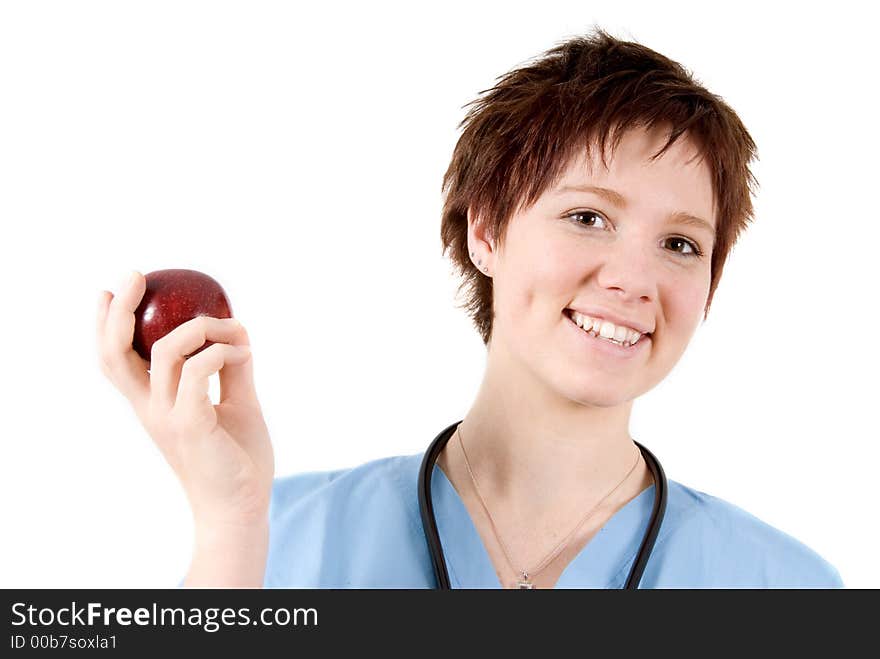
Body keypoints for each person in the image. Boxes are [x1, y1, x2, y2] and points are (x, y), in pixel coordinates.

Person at [96, 27, 843, 588]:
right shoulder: (280, 533)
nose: (634, 278)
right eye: (588, 217)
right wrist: (229, 525)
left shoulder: (790, 587)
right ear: (485, 230)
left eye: (680, 244)